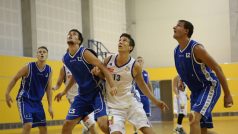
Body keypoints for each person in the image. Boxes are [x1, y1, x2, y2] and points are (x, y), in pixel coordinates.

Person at [92, 33, 169, 134]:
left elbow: (142, 85)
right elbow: (103, 76)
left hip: (132, 104)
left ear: (130, 47)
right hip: (112, 107)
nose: (120, 42)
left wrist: (155, 101)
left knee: (148, 130)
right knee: (113, 132)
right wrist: (98, 73)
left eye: (124, 40)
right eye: (120, 40)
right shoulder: (109, 59)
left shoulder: (135, 65)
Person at [173, 20, 233, 134]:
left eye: (178, 25)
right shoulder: (176, 51)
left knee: (194, 118)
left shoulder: (197, 48)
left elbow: (217, 68)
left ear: (186, 31)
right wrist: (182, 80)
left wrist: (228, 94)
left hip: (209, 87)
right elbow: (182, 69)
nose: (174, 27)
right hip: (196, 92)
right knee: (202, 131)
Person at [54, 29, 117, 134]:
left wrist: (112, 85)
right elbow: (74, 75)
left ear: (79, 41)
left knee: (103, 124)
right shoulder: (65, 58)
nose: (70, 35)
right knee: (67, 125)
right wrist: (64, 92)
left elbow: (102, 66)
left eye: (74, 34)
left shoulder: (85, 53)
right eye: (69, 34)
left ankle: (115, 127)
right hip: (82, 96)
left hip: (97, 92)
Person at [5, 46, 54, 134]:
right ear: (36, 55)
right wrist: (7, 93)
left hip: (37, 102)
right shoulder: (28, 67)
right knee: (28, 124)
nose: (42, 53)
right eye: (39, 52)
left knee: (43, 128)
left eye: (44, 52)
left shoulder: (49, 70)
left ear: (47, 55)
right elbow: (15, 78)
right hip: (25, 100)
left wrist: (50, 106)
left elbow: (49, 89)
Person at [52, 65, 97, 134]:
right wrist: (54, 87)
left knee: (90, 124)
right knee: (90, 124)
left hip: (85, 98)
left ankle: (86, 130)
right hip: (74, 100)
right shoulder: (64, 68)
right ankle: (86, 130)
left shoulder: (82, 64)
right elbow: (58, 83)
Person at [133, 56, 153, 134]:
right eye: (138, 61)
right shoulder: (133, 72)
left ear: (143, 62)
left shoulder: (146, 73)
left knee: (146, 116)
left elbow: (149, 84)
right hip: (136, 98)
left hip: (145, 97)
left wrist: (151, 96)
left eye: (141, 60)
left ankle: (147, 130)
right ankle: (135, 131)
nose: (140, 62)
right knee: (136, 116)